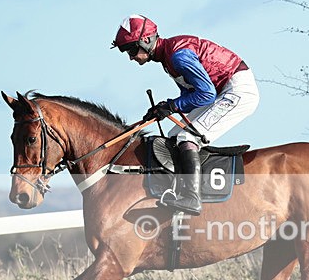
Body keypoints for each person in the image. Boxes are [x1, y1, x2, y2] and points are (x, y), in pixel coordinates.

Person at [111, 14, 259, 215]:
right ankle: (178, 191)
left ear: (146, 40)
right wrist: (164, 107)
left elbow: (206, 94)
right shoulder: (167, 58)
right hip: (220, 91)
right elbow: (193, 95)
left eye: (131, 49)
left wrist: (172, 106)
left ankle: (192, 197)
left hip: (236, 90)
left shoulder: (178, 56)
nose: (131, 57)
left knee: (187, 136)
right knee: (173, 136)